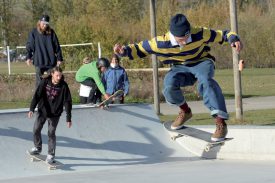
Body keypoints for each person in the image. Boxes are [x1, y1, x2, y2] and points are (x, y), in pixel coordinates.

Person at [114, 14, 243, 141]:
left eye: (187, 37)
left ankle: (220, 123)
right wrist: (123, 51)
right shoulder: (160, 43)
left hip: (202, 62)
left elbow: (223, 34)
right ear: (172, 35)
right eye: (180, 39)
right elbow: (140, 48)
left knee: (206, 81)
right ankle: (185, 111)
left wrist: (233, 39)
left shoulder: (199, 33)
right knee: (169, 85)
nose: (184, 42)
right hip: (180, 68)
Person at [27, 66, 72, 163]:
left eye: (60, 75)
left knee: (51, 133)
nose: (59, 78)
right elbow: (37, 95)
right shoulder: (44, 82)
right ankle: (37, 147)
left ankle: (51, 154)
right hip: (42, 111)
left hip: (55, 114)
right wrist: (31, 108)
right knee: (36, 129)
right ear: (52, 74)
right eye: (57, 76)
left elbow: (67, 102)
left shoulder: (64, 86)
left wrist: (68, 118)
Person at [26, 14, 63, 88]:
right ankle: (38, 98)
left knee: (51, 81)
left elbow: (57, 46)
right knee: (39, 83)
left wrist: (59, 58)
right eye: (43, 24)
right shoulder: (34, 33)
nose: (45, 26)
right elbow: (29, 46)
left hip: (50, 62)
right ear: (39, 22)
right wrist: (28, 57)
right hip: (39, 61)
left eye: (46, 24)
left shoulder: (51, 33)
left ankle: (51, 97)